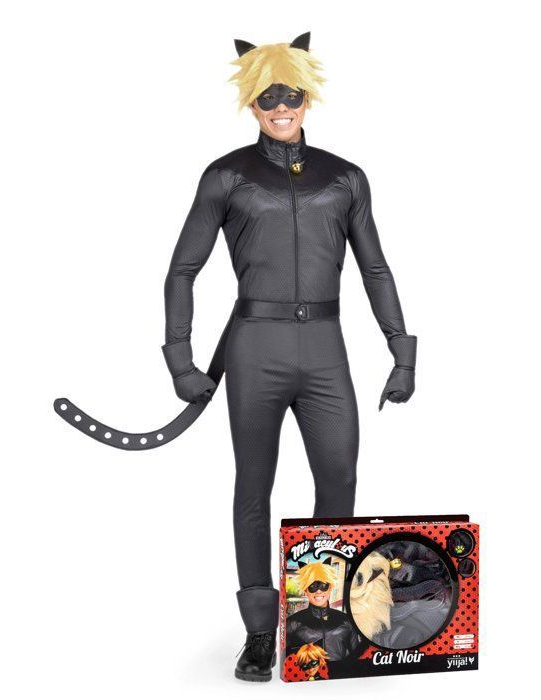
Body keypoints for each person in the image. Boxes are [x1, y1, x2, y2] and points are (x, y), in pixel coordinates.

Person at [162, 32, 417, 681]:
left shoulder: (345, 176)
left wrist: (402, 350)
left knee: (339, 478)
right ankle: (258, 633)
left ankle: (317, 622)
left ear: (309, 97)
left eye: (292, 95)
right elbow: (183, 270)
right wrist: (180, 360)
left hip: (326, 346)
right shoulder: (227, 175)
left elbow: (376, 269)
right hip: (257, 347)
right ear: (251, 102)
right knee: (254, 484)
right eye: (268, 96)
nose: (281, 107)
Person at [286, 559, 360, 661]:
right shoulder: (292, 623)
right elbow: (284, 659)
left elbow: (357, 656)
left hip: (340, 671)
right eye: (312, 586)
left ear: (330, 588)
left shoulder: (346, 620)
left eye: (324, 585)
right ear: (305, 590)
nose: (319, 591)